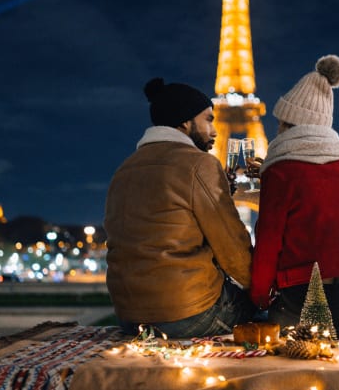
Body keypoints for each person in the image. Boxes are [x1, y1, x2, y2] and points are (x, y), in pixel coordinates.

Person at [104, 77, 255, 338]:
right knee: (266, 312)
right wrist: (263, 290)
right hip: (185, 313)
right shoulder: (199, 165)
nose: (215, 131)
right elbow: (234, 249)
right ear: (185, 122)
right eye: (208, 120)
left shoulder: (124, 168)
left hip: (129, 316)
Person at [250, 55, 339, 337]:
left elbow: (268, 242)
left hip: (305, 305)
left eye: (281, 123)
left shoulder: (280, 173)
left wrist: (259, 298)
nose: (276, 129)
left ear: (290, 124)